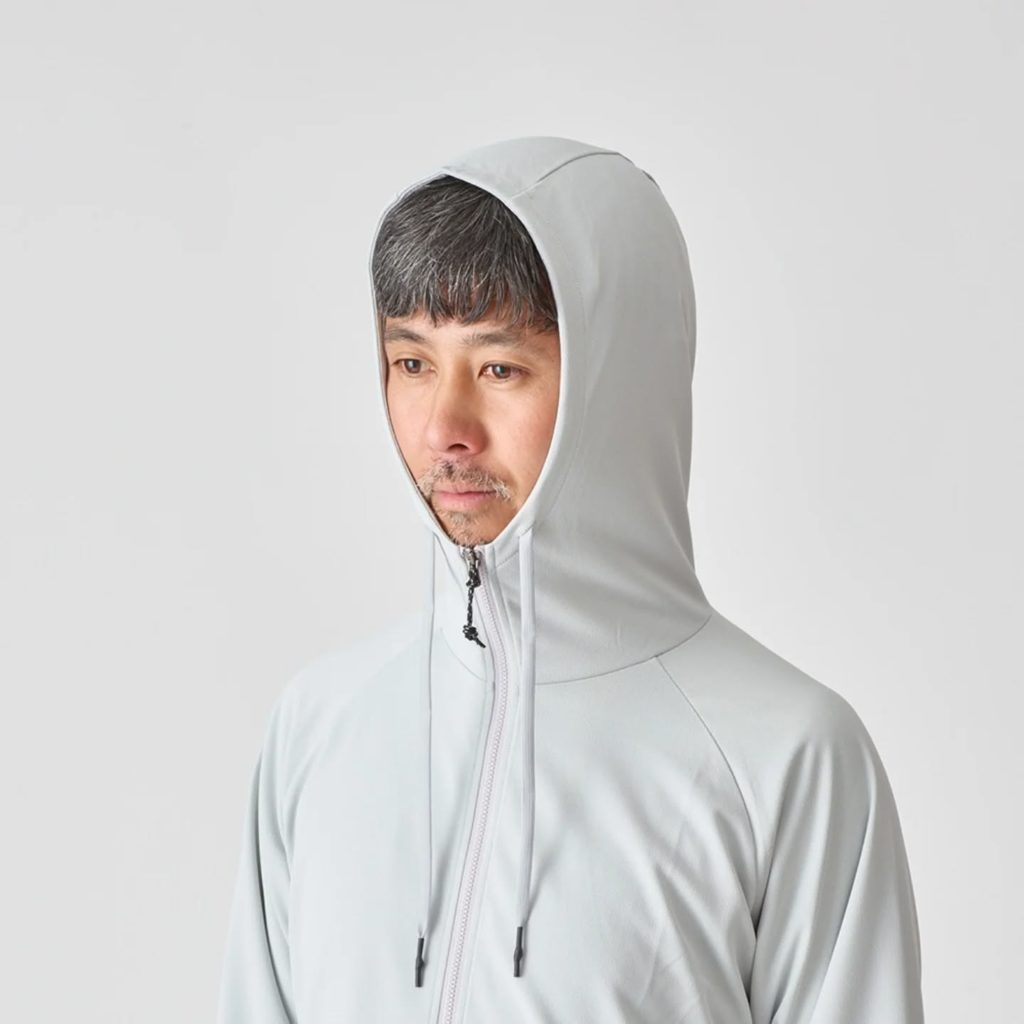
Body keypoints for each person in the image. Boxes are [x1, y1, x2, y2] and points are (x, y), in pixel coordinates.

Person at [215, 136, 925, 1023]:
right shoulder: (319, 728)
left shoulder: (786, 756)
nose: (444, 428)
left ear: (614, 386)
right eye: (413, 363)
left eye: (499, 368)